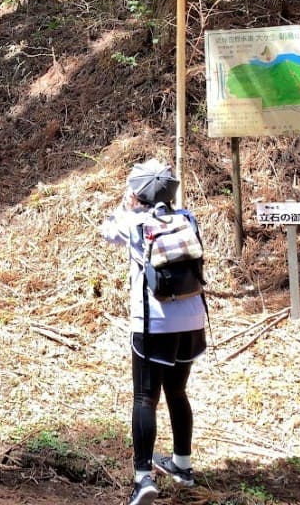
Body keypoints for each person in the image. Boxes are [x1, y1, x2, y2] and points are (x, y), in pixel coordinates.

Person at [100, 158, 207, 505]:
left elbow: (106, 232)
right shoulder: (187, 218)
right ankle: (182, 466)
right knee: (177, 391)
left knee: (145, 397)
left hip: (153, 324)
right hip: (192, 321)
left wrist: (126, 205)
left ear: (137, 193)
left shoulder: (133, 223)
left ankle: (143, 478)